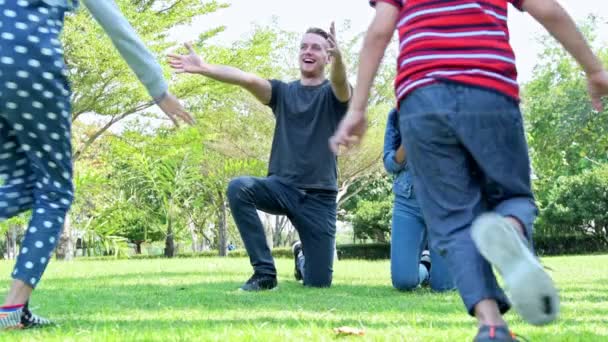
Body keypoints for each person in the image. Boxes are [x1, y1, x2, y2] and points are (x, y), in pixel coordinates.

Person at [330, 0, 608, 340]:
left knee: (452, 220)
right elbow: (547, 9)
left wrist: (357, 109)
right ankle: (510, 227)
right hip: (488, 89)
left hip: (421, 101)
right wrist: (594, 70)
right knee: (513, 196)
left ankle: (491, 325)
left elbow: (379, 32)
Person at [0, 0, 193, 329]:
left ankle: (19, 308)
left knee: (23, 185)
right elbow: (117, 26)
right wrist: (159, 90)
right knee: (55, 192)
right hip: (32, 68)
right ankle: (12, 310)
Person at [169, 23, 351, 291]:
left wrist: (341, 59)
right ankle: (264, 273)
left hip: (319, 197)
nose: (307, 51)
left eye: (316, 48)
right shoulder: (283, 93)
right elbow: (247, 78)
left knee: (319, 282)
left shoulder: (334, 94)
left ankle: (302, 257)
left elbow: (340, 82)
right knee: (239, 187)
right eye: (303, 46)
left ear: (328, 56)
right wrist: (205, 68)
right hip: (282, 188)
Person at [383, 108, 453, 292]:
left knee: (444, 286)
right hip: (408, 202)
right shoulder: (396, 115)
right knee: (403, 282)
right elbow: (390, 164)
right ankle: (426, 266)